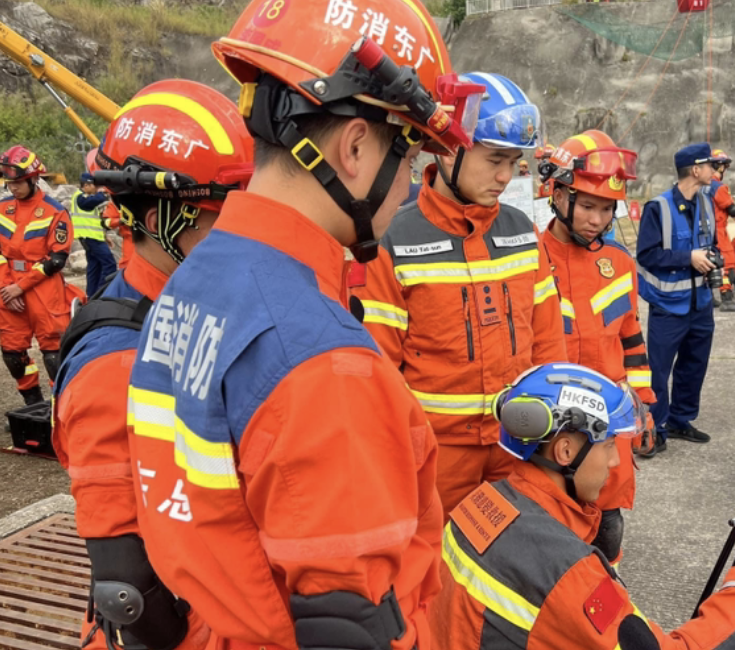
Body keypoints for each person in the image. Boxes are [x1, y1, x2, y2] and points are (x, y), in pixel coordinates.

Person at [126, 2, 483, 647]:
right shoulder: (323, 361)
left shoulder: (196, 276)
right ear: (355, 147)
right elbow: (353, 623)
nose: (407, 189)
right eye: (410, 160)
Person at [53, 79, 253, 650]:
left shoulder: (199, 303)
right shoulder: (117, 364)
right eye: (222, 217)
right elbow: (127, 589)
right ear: (160, 215)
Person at [430, 362, 735, 650]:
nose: (616, 463)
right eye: (608, 447)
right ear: (566, 452)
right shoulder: (566, 571)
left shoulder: (479, 504)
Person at [351, 71, 565, 517]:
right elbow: (380, 367)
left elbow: (548, 342)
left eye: (514, 161)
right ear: (449, 151)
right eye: (494, 160)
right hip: (432, 457)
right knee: (431, 572)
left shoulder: (522, 233)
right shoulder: (394, 240)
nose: (506, 176)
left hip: (517, 446)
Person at [540, 129, 655, 563]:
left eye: (607, 209)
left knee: (608, 527)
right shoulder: (528, 256)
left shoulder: (620, 265)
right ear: (558, 194)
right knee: (550, 524)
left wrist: (643, 402)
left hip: (609, 422)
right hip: (552, 422)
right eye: (587, 205)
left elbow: (631, 338)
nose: (597, 219)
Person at [637, 143, 720, 446]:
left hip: (701, 305)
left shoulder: (707, 204)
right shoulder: (657, 208)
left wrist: (713, 258)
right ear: (695, 170)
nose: (715, 170)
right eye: (710, 165)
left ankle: (679, 420)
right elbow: (647, 255)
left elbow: (713, 243)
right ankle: (656, 427)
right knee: (658, 369)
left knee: (694, 365)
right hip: (668, 306)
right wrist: (688, 258)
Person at [0, 146, 80, 404]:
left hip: (43, 289)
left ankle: (61, 409)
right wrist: (6, 288)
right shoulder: (2, 208)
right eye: (10, 183)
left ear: (34, 178)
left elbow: (56, 260)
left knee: (54, 353)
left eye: (19, 182)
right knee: (12, 352)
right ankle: (33, 407)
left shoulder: (54, 211)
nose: (14, 188)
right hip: (7, 287)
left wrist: (19, 288)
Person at [709, 149, 735, 312]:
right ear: (720, 166)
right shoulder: (718, 187)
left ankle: (708, 298)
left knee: (707, 261)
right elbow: (731, 208)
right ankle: (727, 299)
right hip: (718, 231)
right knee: (728, 264)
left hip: (704, 229)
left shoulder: (699, 185)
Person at [71, 172, 118, 297]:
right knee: (110, 264)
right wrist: (105, 194)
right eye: (94, 186)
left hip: (93, 238)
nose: (96, 188)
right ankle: (102, 293)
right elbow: (91, 202)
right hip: (90, 238)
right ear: (86, 185)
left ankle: (91, 295)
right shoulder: (80, 198)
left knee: (94, 267)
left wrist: (104, 236)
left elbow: (95, 221)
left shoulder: (87, 198)